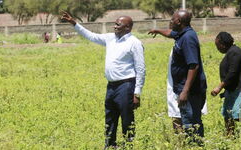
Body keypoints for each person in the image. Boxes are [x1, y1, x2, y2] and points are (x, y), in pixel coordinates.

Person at [62, 12, 145, 149]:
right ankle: (110, 145)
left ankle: (129, 145)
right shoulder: (110, 38)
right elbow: (91, 36)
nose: (114, 26)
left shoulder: (134, 43)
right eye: (115, 24)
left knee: (127, 118)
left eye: (118, 24)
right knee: (110, 117)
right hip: (111, 86)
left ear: (128, 27)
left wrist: (137, 93)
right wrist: (74, 23)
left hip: (126, 85)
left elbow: (140, 69)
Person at [149, 10, 207, 142]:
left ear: (179, 22)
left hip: (190, 90)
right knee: (190, 121)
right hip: (184, 87)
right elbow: (170, 33)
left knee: (191, 123)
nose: (170, 21)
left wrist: (185, 91)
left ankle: (195, 145)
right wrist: (157, 31)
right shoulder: (182, 33)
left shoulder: (188, 38)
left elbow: (194, 65)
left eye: (172, 19)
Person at [211, 32, 241, 136]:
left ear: (223, 44)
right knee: (228, 114)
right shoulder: (231, 52)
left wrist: (219, 87)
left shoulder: (235, 52)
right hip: (232, 88)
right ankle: (230, 135)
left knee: (236, 115)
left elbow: (232, 73)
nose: (217, 48)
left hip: (238, 88)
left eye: (218, 45)